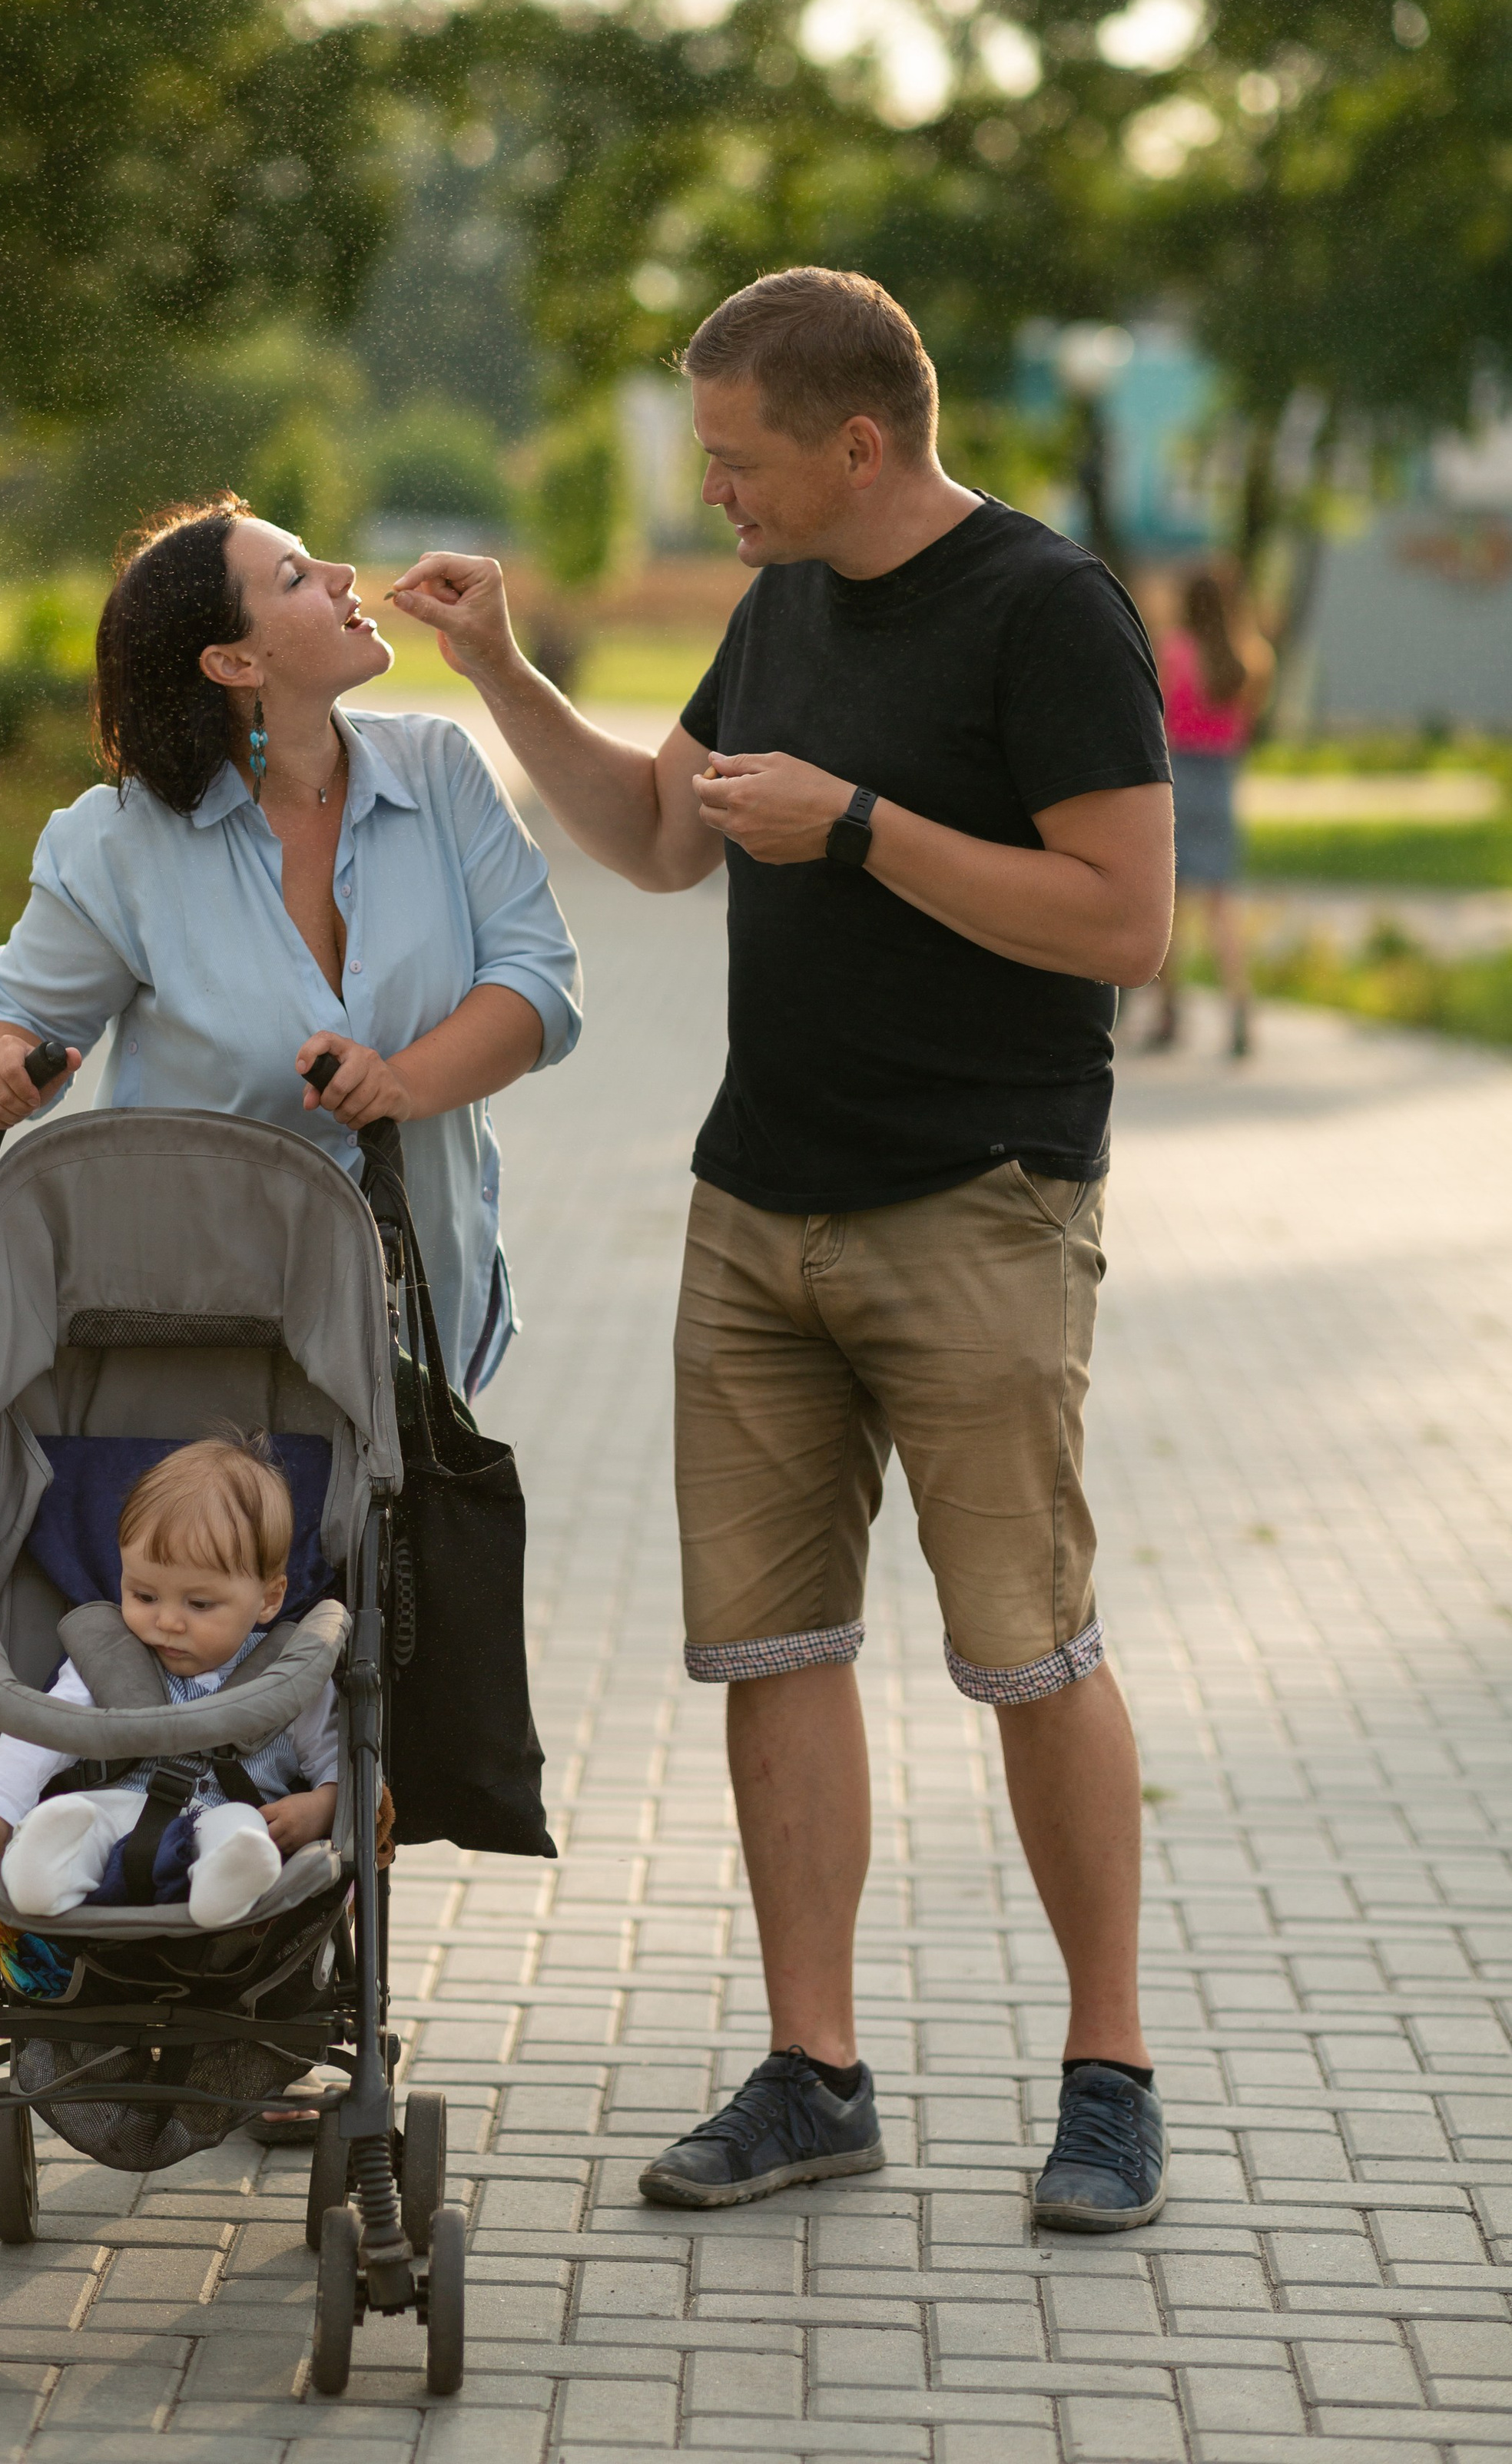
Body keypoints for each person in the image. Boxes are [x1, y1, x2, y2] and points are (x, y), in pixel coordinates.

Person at [388, 267, 1178, 2231]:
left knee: (1026, 1646)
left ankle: (1108, 2071)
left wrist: (857, 828)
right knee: (769, 1644)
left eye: (736, 460)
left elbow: (1120, 922)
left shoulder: (1044, 609)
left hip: (978, 1200)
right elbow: (659, 836)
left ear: (853, 439)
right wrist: (500, 675)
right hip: (756, 1206)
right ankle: (812, 2067)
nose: (712, 493)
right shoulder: (780, 603)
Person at [0, 497, 582, 1399]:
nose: (342, 577)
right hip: (194, 1337)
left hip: (422, 1322)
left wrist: (398, 1085)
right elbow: (1, 1017)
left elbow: (539, 983)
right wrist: (1, 1066)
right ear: (233, 661)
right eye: (296, 576)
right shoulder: (120, 842)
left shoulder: (442, 772)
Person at [0, 1440, 338, 1928]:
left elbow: (333, 1758)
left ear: (268, 1599)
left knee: (240, 1832)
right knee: (72, 1818)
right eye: (144, 1595)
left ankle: (230, 1880)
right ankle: (39, 1873)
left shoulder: (288, 1670)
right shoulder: (111, 1657)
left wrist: (321, 1806)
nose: (168, 1622)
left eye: (199, 1605)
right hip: (116, 1805)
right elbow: (41, 1737)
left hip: (229, 1812)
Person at [1147, 565, 1274, 1060]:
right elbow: (1250, 720)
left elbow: (1154, 715)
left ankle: (1169, 1011)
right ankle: (1239, 1007)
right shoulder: (1249, 656)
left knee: (1171, 902)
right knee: (1222, 903)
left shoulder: (1174, 651)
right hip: (1222, 780)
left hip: (1179, 778)